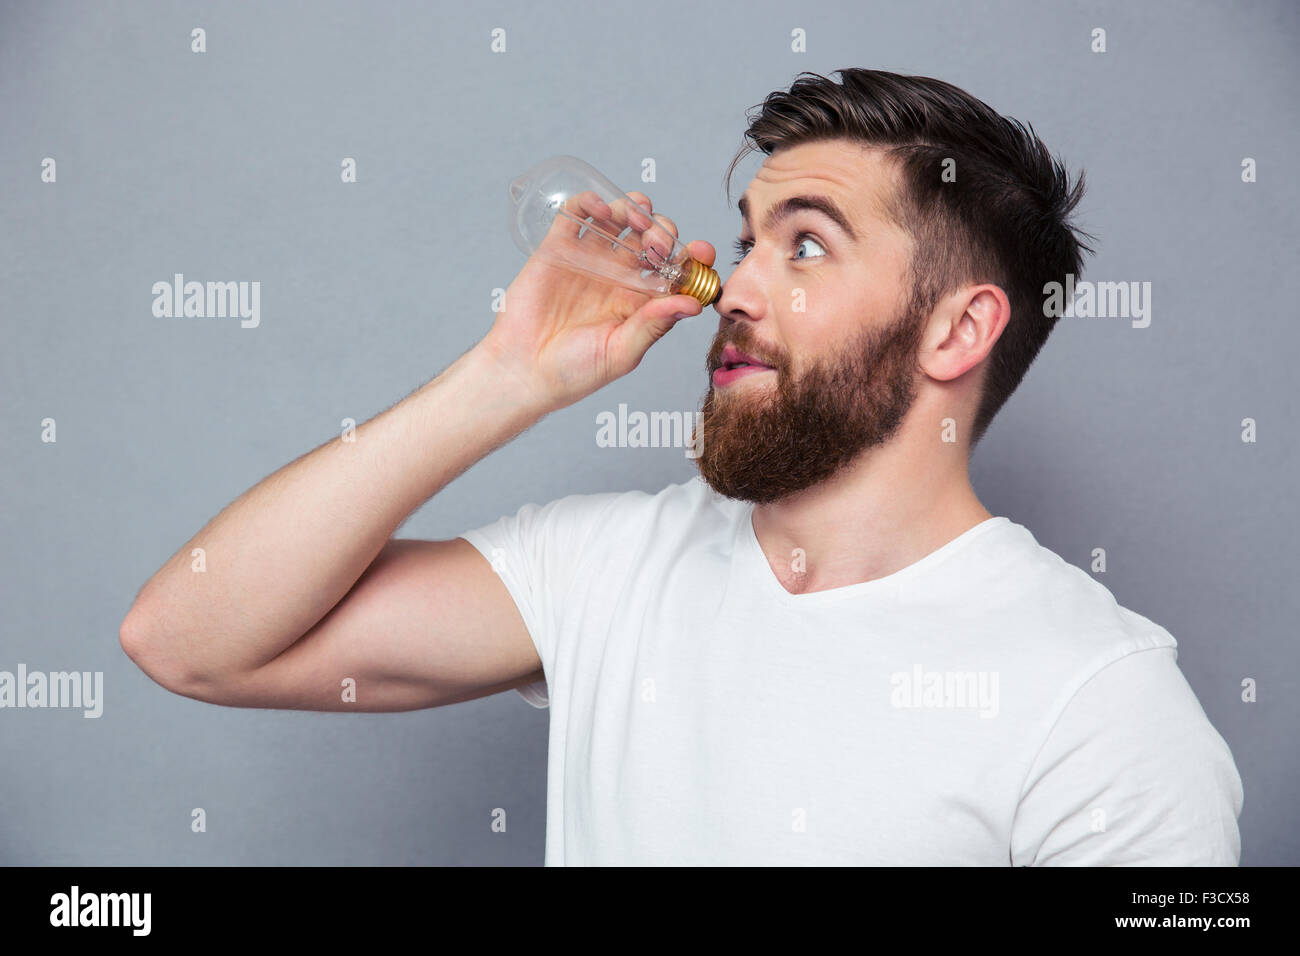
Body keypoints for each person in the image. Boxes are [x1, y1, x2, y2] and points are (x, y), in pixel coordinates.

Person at [120, 68, 1243, 866]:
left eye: (804, 242)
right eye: (746, 237)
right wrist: (507, 377)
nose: (734, 286)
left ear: (957, 331)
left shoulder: (1103, 707)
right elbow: (188, 640)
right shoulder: (605, 566)